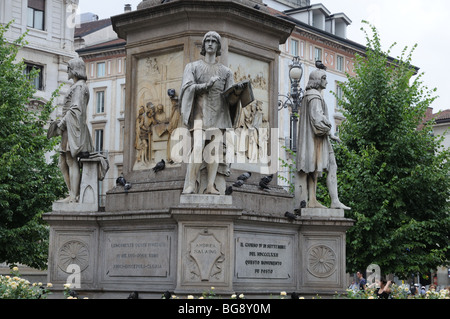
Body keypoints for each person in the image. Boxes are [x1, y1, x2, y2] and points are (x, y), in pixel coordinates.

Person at [180, 31, 244, 195]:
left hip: (219, 114)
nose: (210, 43)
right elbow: (187, 88)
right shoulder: (193, 67)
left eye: (213, 41)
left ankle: (210, 185)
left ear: (218, 46)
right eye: (207, 40)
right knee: (199, 147)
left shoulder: (226, 72)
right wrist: (205, 86)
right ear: (203, 45)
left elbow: (230, 99)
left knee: (214, 151)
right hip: (200, 113)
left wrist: (237, 93)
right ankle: (191, 184)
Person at [296, 68, 350, 210]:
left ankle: (313, 200)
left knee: (313, 168)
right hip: (317, 139)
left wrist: (331, 134)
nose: (326, 81)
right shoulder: (314, 96)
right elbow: (317, 119)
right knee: (331, 166)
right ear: (318, 80)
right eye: (324, 78)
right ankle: (333, 201)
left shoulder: (310, 95)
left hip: (318, 139)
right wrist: (329, 127)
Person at [57, 58, 94, 203]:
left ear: (74, 70)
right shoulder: (77, 86)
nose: (67, 71)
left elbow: (76, 108)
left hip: (73, 128)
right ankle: (71, 193)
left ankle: (74, 195)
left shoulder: (79, 87)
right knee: (63, 162)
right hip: (69, 128)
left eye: (69, 68)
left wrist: (62, 123)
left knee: (71, 161)